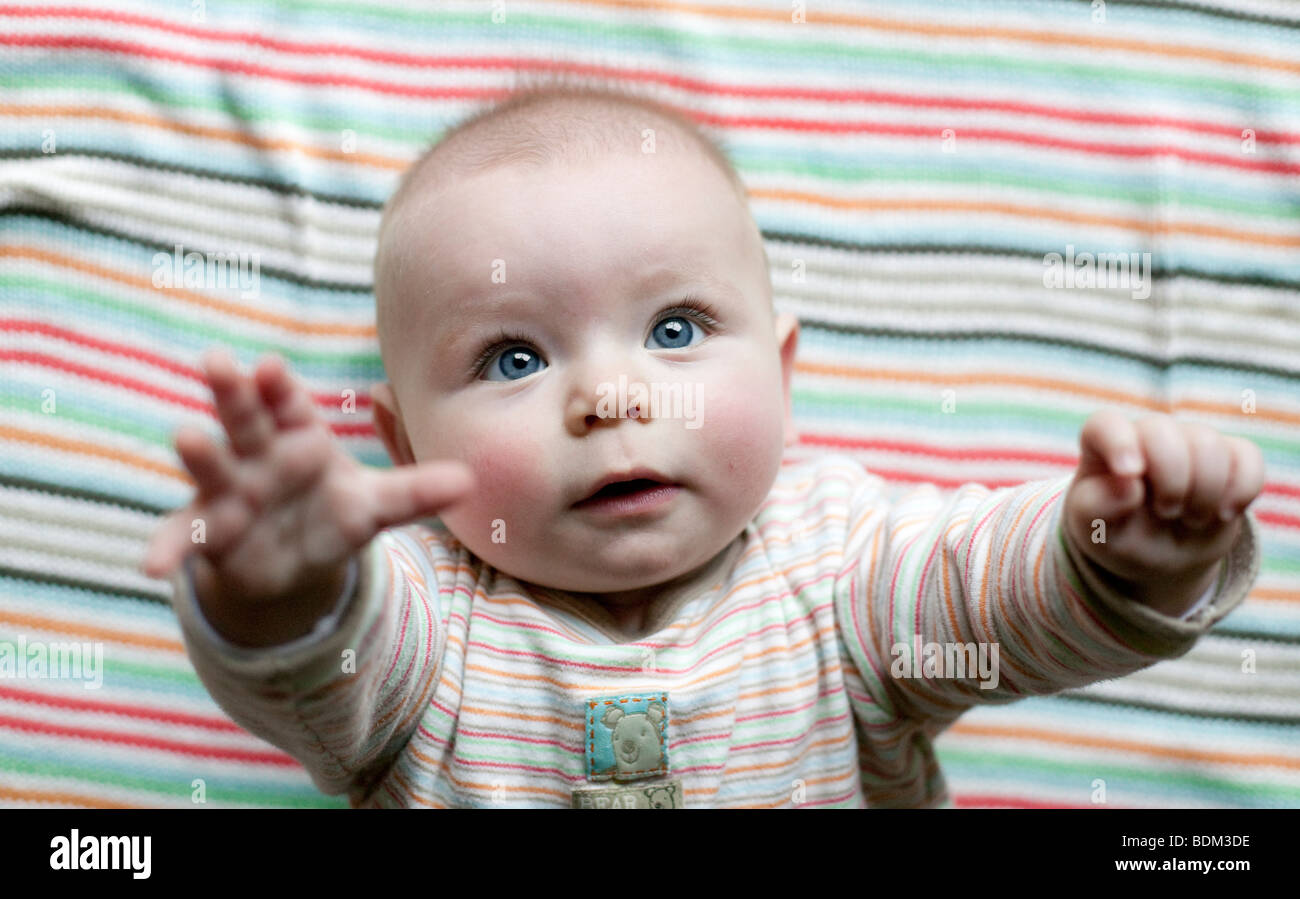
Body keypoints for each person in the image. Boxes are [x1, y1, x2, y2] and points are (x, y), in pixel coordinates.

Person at [141, 85, 1264, 808]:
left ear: (779, 375)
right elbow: (327, 672)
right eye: (513, 359)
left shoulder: (843, 571)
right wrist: (287, 590)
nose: (610, 398)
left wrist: (1118, 551)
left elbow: (983, 596)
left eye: (675, 330)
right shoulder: (429, 626)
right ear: (402, 441)